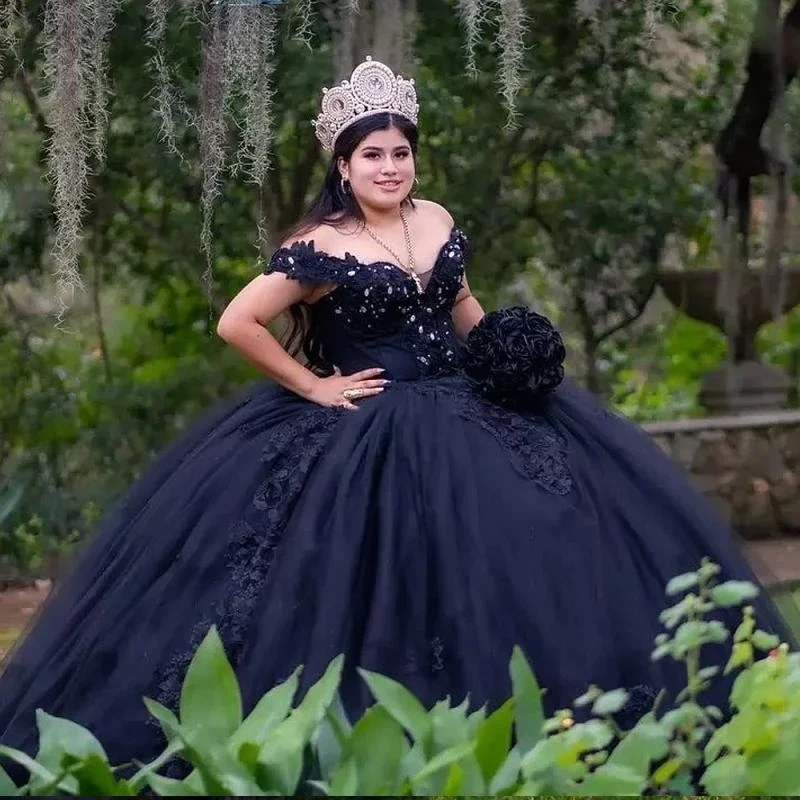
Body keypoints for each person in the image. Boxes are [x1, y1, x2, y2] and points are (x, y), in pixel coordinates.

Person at [0, 56, 791, 772]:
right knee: (352, 578)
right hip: (367, 421)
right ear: (343, 165)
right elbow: (237, 321)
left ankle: (568, 731)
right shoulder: (321, 245)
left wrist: (506, 357)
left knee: (544, 534)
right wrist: (313, 387)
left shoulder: (438, 218)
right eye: (372, 154)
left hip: (468, 404)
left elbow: (462, 302)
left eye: (400, 152)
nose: (389, 166)